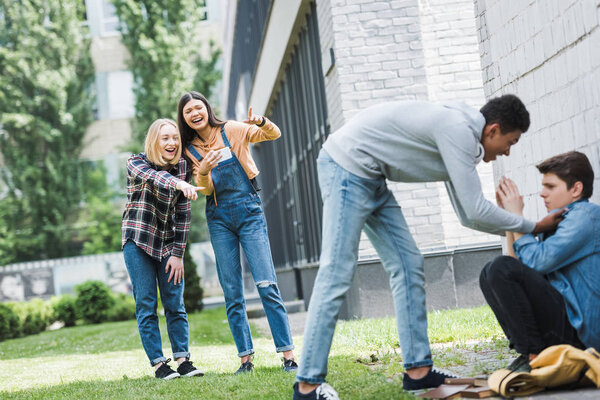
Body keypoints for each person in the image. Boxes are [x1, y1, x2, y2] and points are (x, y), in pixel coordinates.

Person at [293, 94, 564, 400]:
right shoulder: (458, 131)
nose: (507, 152)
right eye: (510, 142)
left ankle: (418, 372)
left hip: (371, 175)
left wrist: (519, 227)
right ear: (493, 130)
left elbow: (466, 215)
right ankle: (308, 385)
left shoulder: (463, 136)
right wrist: (534, 226)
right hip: (347, 167)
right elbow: (475, 210)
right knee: (337, 272)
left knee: (408, 263)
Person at [177, 91, 297, 374]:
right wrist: (204, 170)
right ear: (184, 118)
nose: (195, 113)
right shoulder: (189, 149)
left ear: (206, 108)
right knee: (232, 292)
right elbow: (204, 189)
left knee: (266, 283)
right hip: (218, 217)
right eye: (187, 112)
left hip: (249, 210)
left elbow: (273, 135)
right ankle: (245, 359)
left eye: (198, 107)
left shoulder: (231, 129)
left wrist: (263, 121)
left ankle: (288, 355)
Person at [480, 151, 600, 372]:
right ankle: (532, 354)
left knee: (499, 267)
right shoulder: (559, 220)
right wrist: (511, 219)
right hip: (564, 326)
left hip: (583, 339)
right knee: (489, 272)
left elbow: (537, 261)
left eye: (551, 187)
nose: (542, 193)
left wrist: (520, 218)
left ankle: (536, 359)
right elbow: (516, 268)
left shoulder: (586, 216)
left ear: (576, 189)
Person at [122, 118, 204, 380]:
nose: (172, 143)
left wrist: (178, 254)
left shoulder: (182, 166)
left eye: (175, 138)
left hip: (168, 244)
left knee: (175, 303)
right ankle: (159, 364)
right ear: (154, 141)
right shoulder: (136, 162)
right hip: (139, 241)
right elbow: (153, 176)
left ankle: (183, 360)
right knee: (146, 303)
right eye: (165, 138)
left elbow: (183, 213)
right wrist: (179, 184)